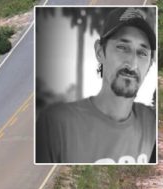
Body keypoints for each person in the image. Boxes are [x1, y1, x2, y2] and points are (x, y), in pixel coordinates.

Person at [36, 7, 156, 164]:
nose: (132, 64)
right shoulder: (56, 123)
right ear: (100, 52)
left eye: (142, 53)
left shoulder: (150, 122)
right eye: (122, 47)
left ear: (149, 64)